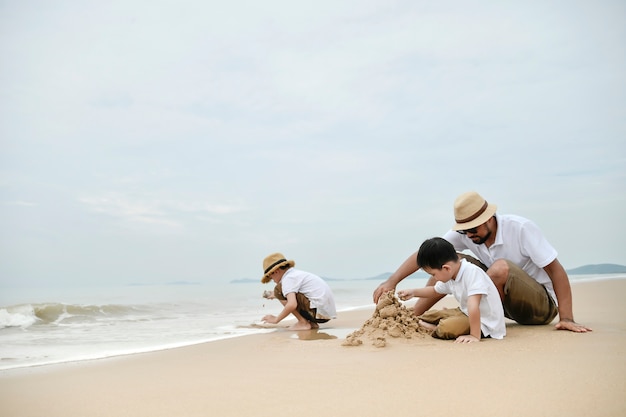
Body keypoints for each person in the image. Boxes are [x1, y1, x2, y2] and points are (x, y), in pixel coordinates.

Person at [374, 191, 591, 333]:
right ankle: (413, 317)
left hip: (540, 308)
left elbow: (556, 271)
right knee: (447, 260)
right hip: (502, 304)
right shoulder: (467, 232)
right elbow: (427, 255)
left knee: (500, 268)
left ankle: (472, 321)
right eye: (464, 231)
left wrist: (567, 318)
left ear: (489, 219)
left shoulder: (521, 228)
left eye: (473, 229)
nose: (469, 235)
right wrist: (393, 281)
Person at [397, 237, 505, 343]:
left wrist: (474, 335)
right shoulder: (451, 274)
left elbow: (473, 306)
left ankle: (434, 328)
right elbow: (434, 290)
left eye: (433, 274)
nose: (434, 278)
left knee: (446, 327)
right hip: (465, 312)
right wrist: (413, 292)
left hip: (484, 322)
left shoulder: (472, 273)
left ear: (446, 268)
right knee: (429, 316)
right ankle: (429, 323)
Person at [261, 252, 337, 330]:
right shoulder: (295, 274)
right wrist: (276, 295)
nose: (272, 280)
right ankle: (312, 323)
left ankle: (303, 323)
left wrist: (276, 319)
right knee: (279, 292)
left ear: (276, 271)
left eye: (271, 277)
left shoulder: (288, 279)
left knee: (278, 290)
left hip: (317, 312)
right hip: (324, 314)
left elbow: (292, 304)